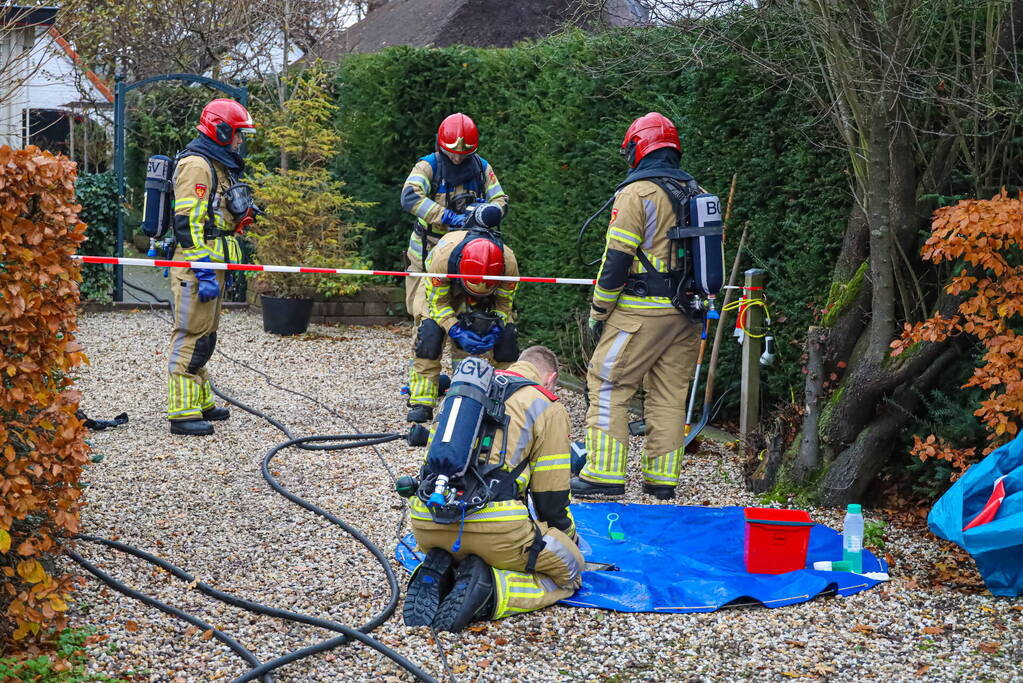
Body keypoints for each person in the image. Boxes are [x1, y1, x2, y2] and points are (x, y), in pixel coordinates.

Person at [571, 112, 703, 500]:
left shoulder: (637, 193)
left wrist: (599, 310)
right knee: (669, 396)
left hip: (641, 312)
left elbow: (617, 258)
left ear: (637, 148)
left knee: (607, 382)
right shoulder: (696, 191)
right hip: (687, 313)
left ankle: (603, 475)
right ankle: (661, 481)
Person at [403, 346, 582, 632]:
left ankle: (443, 573)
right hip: (496, 531)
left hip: (427, 522)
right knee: (571, 571)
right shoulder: (546, 405)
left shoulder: (464, 395)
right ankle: (491, 591)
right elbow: (551, 498)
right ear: (550, 379)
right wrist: (569, 537)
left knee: (459, 545)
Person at [166, 99, 257, 436]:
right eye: (237, 134)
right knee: (191, 335)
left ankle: (201, 402)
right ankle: (181, 413)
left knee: (206, 335)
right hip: (197, 266)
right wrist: (202, 267)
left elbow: (215, 215)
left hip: (211, 264)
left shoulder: (216, 164)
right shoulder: (197, 165)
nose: (239, 141)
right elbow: (186, 222)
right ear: (220, 130)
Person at [405, 222, 520, 423]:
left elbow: (504, 303)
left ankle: (505, 397)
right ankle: (422, 401)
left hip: (490, 295)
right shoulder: (442, 259)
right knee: (429, 335)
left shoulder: (508, 263)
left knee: (507, 338)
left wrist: (496, 327)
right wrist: (455, 329)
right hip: (444, 288)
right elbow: (437, 304)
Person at [400, 113, 508, 323]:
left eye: (463, 154)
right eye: (452, 153)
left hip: (468, 254)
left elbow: (500, 200)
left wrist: (486, 213)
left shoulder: (481, 168)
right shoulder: (429, 166)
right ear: (441, 146)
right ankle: (423, 344)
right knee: (423, 315)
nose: (457, 158)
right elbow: (410, 196)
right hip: (427, 251)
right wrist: (445, 216)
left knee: (465, 314)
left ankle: (463, 346)